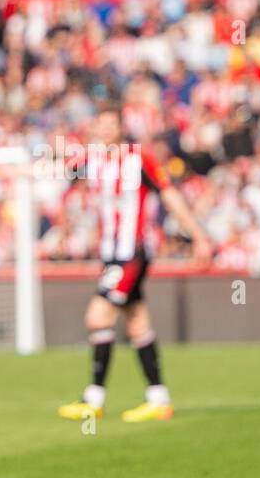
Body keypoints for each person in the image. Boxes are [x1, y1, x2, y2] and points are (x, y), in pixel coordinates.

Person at [58, 108, 213, 423]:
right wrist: (10, 173)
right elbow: (52, 170)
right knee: (137, 323)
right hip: (111, 253)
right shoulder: (93, 160)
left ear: (121, 127)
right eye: (99, 123)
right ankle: (158, 398)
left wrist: (199, 236)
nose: (103, 129)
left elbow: (169, 196)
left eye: (110, 123)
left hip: (133, 254)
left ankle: (94, 398)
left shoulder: (138, 159)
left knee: (97, 317)